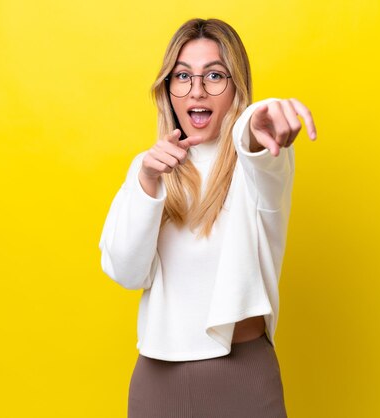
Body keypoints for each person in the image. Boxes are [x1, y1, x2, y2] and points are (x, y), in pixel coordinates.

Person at [99, 18, 316, 418]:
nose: (197, 89)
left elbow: (252, 143)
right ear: (168, 89)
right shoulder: (148, 168)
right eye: (183, 76)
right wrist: (148, 182)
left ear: (236, 87)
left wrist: (257, 122)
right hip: (158, 384)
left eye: (215, 75)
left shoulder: (260, 160)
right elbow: (128, 273)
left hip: (244, 380)